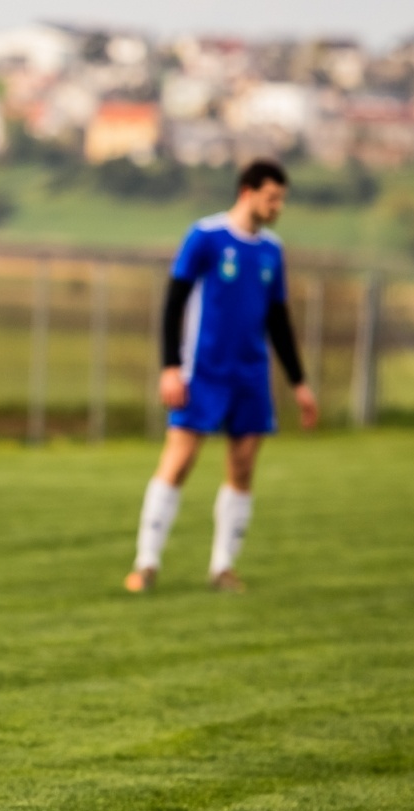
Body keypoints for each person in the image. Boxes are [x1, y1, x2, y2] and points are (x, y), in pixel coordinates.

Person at [126, 160, 320, 594]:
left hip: (250, 377)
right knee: (178, 462)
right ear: (247, 192)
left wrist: (299, 382)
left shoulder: (272, 250)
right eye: (272, 198)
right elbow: (173, 303)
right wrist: (170, 367)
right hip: (203, 373)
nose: (278, 207)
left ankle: (222, 568)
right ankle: (147, 562)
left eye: (282, 199)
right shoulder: (206, 237)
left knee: (243, 467)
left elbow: (278, 320)